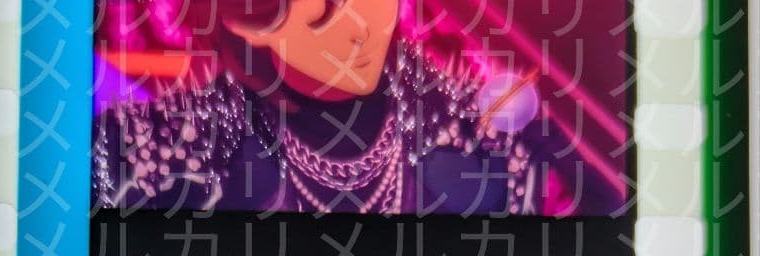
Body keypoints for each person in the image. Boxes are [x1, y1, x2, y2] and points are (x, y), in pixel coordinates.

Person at [92, 0, 555, 214]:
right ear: (248, 20)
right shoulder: (150, 155)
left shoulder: (488, 147)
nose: (362, 28)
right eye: (325, 14)